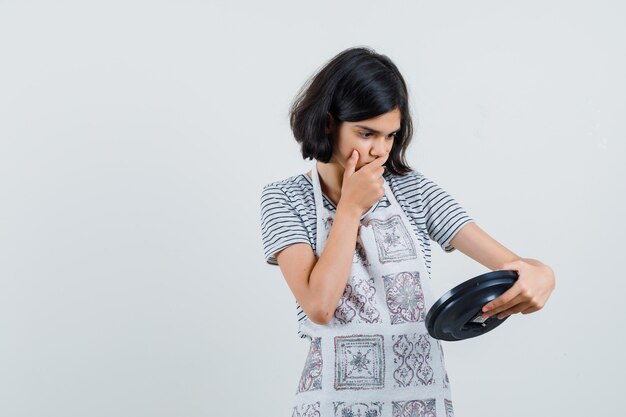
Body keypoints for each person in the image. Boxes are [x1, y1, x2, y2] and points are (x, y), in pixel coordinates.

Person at [259, 46, 555, 417]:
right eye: (366, 134)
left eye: (389, 136)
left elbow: (511, 263)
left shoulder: (414, 190)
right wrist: (350, 207)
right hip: (332, 403)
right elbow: (319, 306)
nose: (379, 151)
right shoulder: (284, 199)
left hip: (420, 400)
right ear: (329, 122)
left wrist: (542, 273)